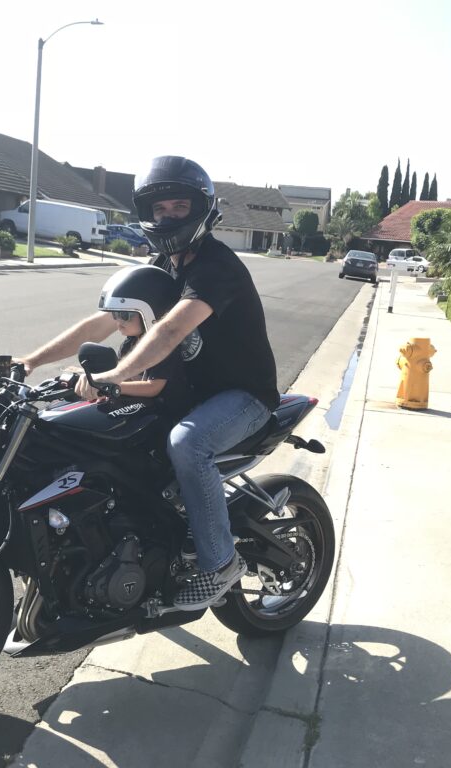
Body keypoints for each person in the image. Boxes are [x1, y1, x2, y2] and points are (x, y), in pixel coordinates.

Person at [19, 155, 279, 610]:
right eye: (160, 209)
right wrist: (31, 360)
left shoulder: (217, 267)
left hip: (241, 396)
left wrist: (114, 376)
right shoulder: (162, 264)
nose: (168, 216)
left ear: (201, 208)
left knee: (187, 444)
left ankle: (221, 563)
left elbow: (172, 329)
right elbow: (104, 321)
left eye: (179, 206)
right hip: (185, 392)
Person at [94, 265, 191, 417]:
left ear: (152, 311)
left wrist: (115, 387)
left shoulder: (163, 346)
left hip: (168, 414)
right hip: (143, 407)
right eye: (115, 314)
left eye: (125, 315)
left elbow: (153, 387)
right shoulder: (129, 343)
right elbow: (123, 374)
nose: (118, 321)